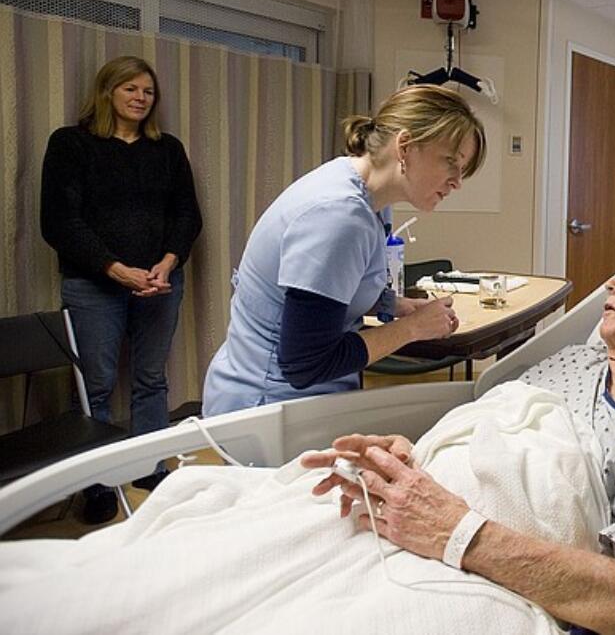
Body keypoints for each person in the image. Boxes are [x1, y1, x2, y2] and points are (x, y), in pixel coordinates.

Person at [303, 254, 615, 635]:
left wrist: (456, 533)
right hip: (410, 515)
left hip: (474, 562)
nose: (613, 282)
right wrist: (409, 455)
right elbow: (493, 428)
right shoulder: (568, 360)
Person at [202, 85, 486, 416]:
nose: (457, 182)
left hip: (295, 397)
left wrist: (393, 304)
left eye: (462, 170)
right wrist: (413, 328)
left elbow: (326, 292)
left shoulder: (368, 195)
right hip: (267, 406)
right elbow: (306, 364)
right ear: (405, 147)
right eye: (451, 161)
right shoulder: (340, 215)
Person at [40, 56, 202, 523]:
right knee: (94, 385)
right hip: (94, 283)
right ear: (107, 91)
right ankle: (94, 483)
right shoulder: (72, 145)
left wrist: (167, 263)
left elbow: (186, 215)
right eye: (130, 89)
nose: (140, 98)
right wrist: (115, 269)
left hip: (160, 282)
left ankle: (150, 467)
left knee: (152, 379)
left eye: (148, 92)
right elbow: (59, 221)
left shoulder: (166, 149)